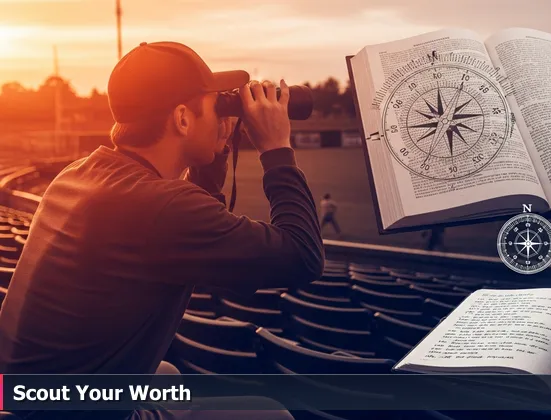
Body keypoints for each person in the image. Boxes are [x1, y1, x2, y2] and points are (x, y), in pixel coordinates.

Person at [0, 41, 323, 419]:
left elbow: (185, 229)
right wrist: (276, 148)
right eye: (215, 103)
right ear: (182, 119)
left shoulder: (81, 174)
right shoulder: (160, 206)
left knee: (166, 374)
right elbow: (302, 257)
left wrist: (215, 150)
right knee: (268, 412)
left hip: (23, 398)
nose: (224, 112)